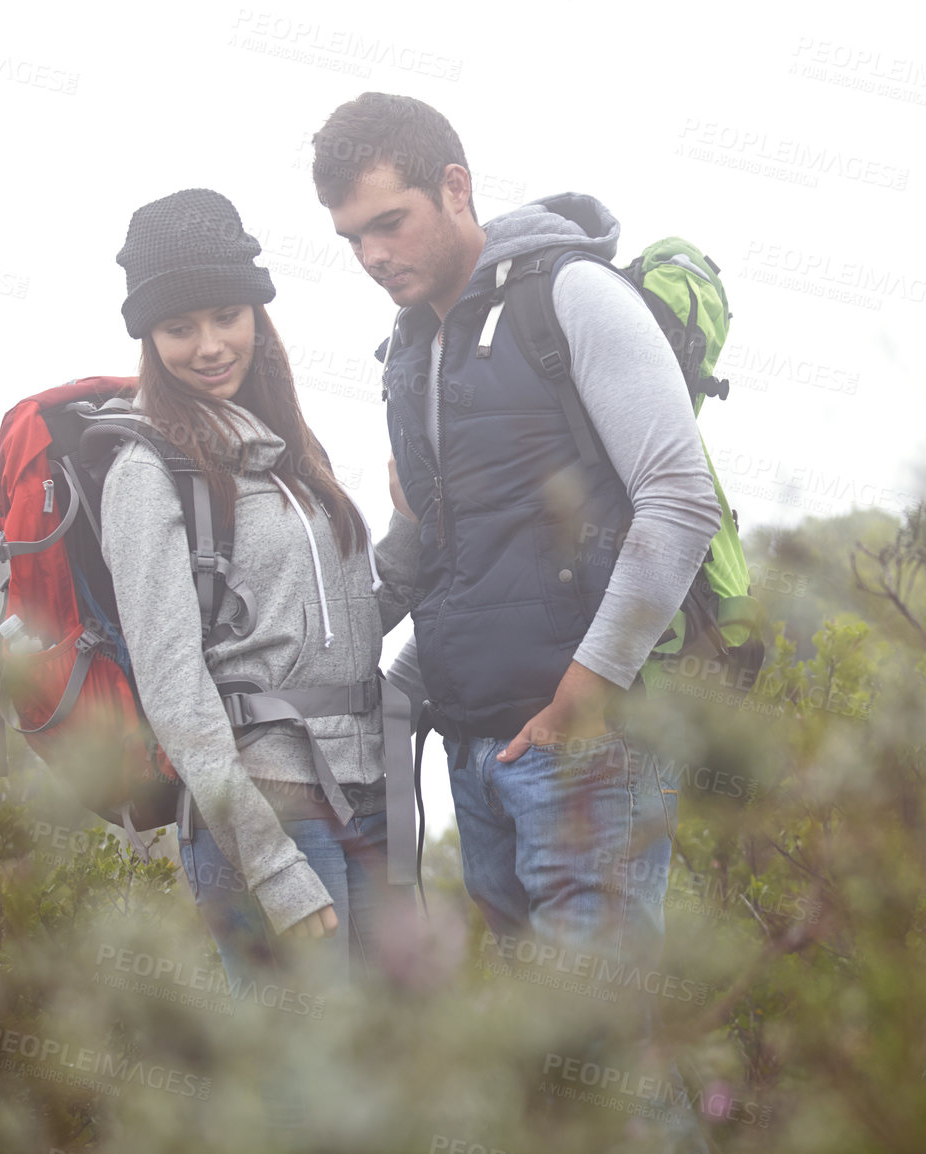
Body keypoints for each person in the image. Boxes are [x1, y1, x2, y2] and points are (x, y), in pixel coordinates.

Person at [311, 93, 721, 1149]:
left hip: (589, 744)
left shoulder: (570, 294)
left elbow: (678, 496)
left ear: (456, 186)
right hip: (476, 750)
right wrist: (324, 653)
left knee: (596, 1052)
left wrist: (592, 685)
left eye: (389, 221)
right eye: (351, 236)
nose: (370, 253)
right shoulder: (408, 353)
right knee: (560, 1061)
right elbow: (427, 550)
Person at [102, 188, 421, 997]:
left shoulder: (287, 456)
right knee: (302, 1104)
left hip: (362, 801)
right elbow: (175, 690)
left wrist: (413, 532)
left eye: (225, 316)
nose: (208, 346)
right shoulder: (146, 474)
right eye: (179, 328)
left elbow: (342, 635)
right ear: (149, 337)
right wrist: (271, 864)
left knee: (385, 1088)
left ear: (256, 313)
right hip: (269, 817)